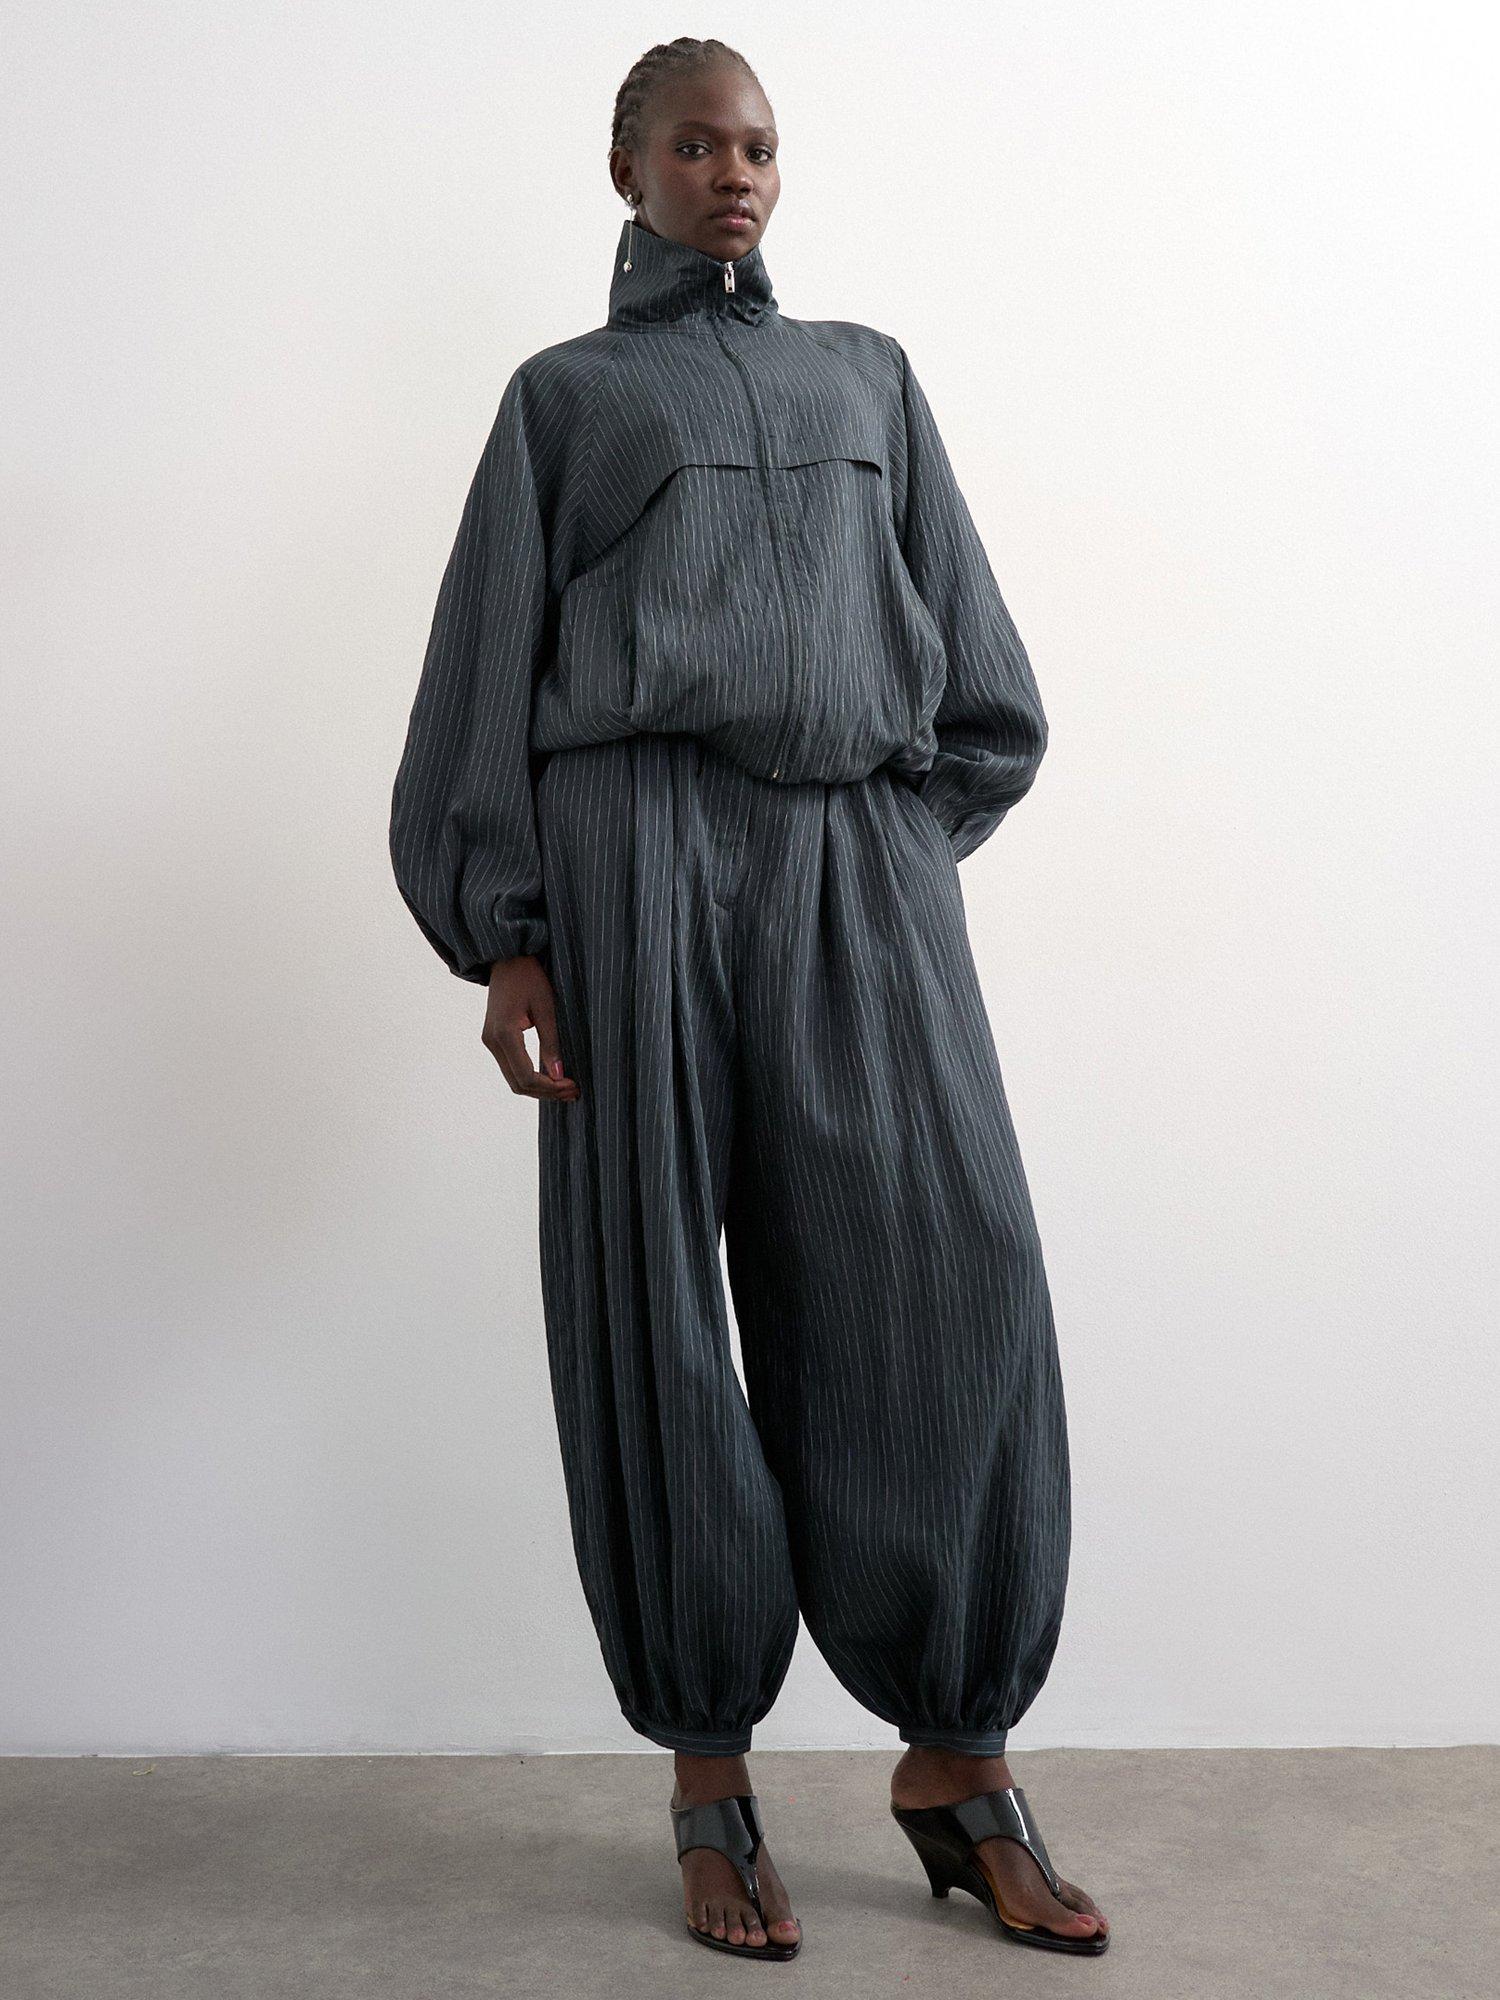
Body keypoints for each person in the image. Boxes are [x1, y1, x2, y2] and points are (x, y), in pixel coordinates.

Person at [389, 36, 1109, 1963]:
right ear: (627, 167)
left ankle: (960, 1761)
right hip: (632, 853)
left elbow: (980, 674)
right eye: (698, 143)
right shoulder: (564, 400)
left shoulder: (870, 375)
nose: (736, 172)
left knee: (948, 1261)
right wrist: (511, 934)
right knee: (657, 1303)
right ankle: (710, 1774)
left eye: (761, 145)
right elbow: (484, 674)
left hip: (857, 851)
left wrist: (891, 859)